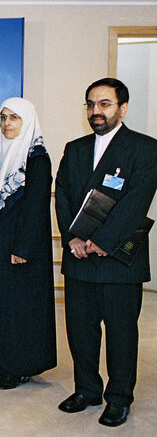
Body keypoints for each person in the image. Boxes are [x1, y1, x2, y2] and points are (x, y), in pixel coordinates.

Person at [55, 78, 157, 427]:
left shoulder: (145, 148)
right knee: (80, 331)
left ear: (122, 108)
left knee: (120, 333)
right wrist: (72, 239)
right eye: (90, 104)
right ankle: (86, 390)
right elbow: (64, 195)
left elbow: (136, 202)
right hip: (78, 258)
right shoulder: (75, 147)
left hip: (118, 262)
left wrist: (102, 241)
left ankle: (118, 397)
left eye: (104, 104)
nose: (96, 111)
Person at [0, 98, 56, 389]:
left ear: (27, 121)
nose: (8, 123)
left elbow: (37, 206)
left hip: (24, 245)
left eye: (14, 117)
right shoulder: (3, 152)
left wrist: (22, 248)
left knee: (22, 308)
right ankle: (2, 359)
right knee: (3, 303)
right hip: (2, 240)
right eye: (3, 117)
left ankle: (21, 366)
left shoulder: (36, 157)